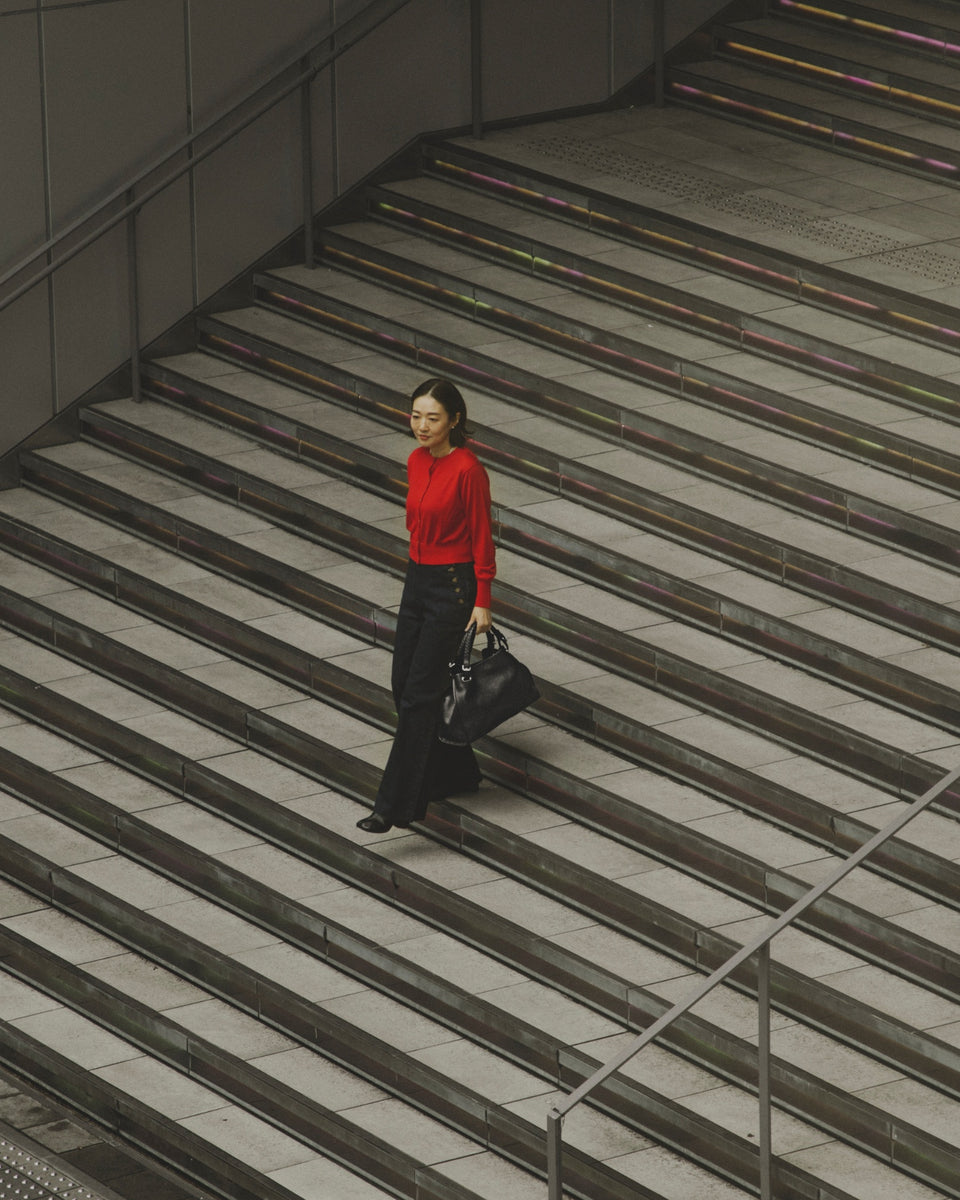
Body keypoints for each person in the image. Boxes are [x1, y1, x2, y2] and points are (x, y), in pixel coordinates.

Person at [357, 378, 496, 834]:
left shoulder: (468, 469)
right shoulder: (416, 460)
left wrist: (483, 600)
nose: (421, 425)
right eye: (415, 415)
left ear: (454, 420)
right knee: (404, 685)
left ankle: (393, 805)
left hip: (453, 586)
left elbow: (482, 537)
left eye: (432, 418)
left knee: (418, 696)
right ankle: (458, 771)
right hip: (416, 580)